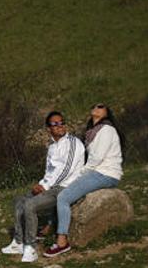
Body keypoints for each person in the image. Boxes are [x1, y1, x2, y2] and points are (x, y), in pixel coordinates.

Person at [1, 111, 84, 263]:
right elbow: (49, 172)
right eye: (55, 124)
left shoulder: (73, 143)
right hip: (50, 186)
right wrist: (41, 184)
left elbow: (67, 170)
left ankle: (30, 248)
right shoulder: (52, 147)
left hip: (64, 187)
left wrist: (45, 186)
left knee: (30, 205)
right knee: (19, 200)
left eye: (61, 122)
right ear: (49, 129)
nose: (60, 126)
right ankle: (19, 242)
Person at [44, 104, 124, 258]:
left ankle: (62, 242)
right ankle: (49, 226)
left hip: (104, 173)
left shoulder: (107, 130)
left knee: (63, 197)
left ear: (106, 113)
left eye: (100, 107)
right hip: (97, 172)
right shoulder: (93, 132)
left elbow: (97, 158)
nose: (96, 107)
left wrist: (80, 174)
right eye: (94, 106)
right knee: (63, 189)